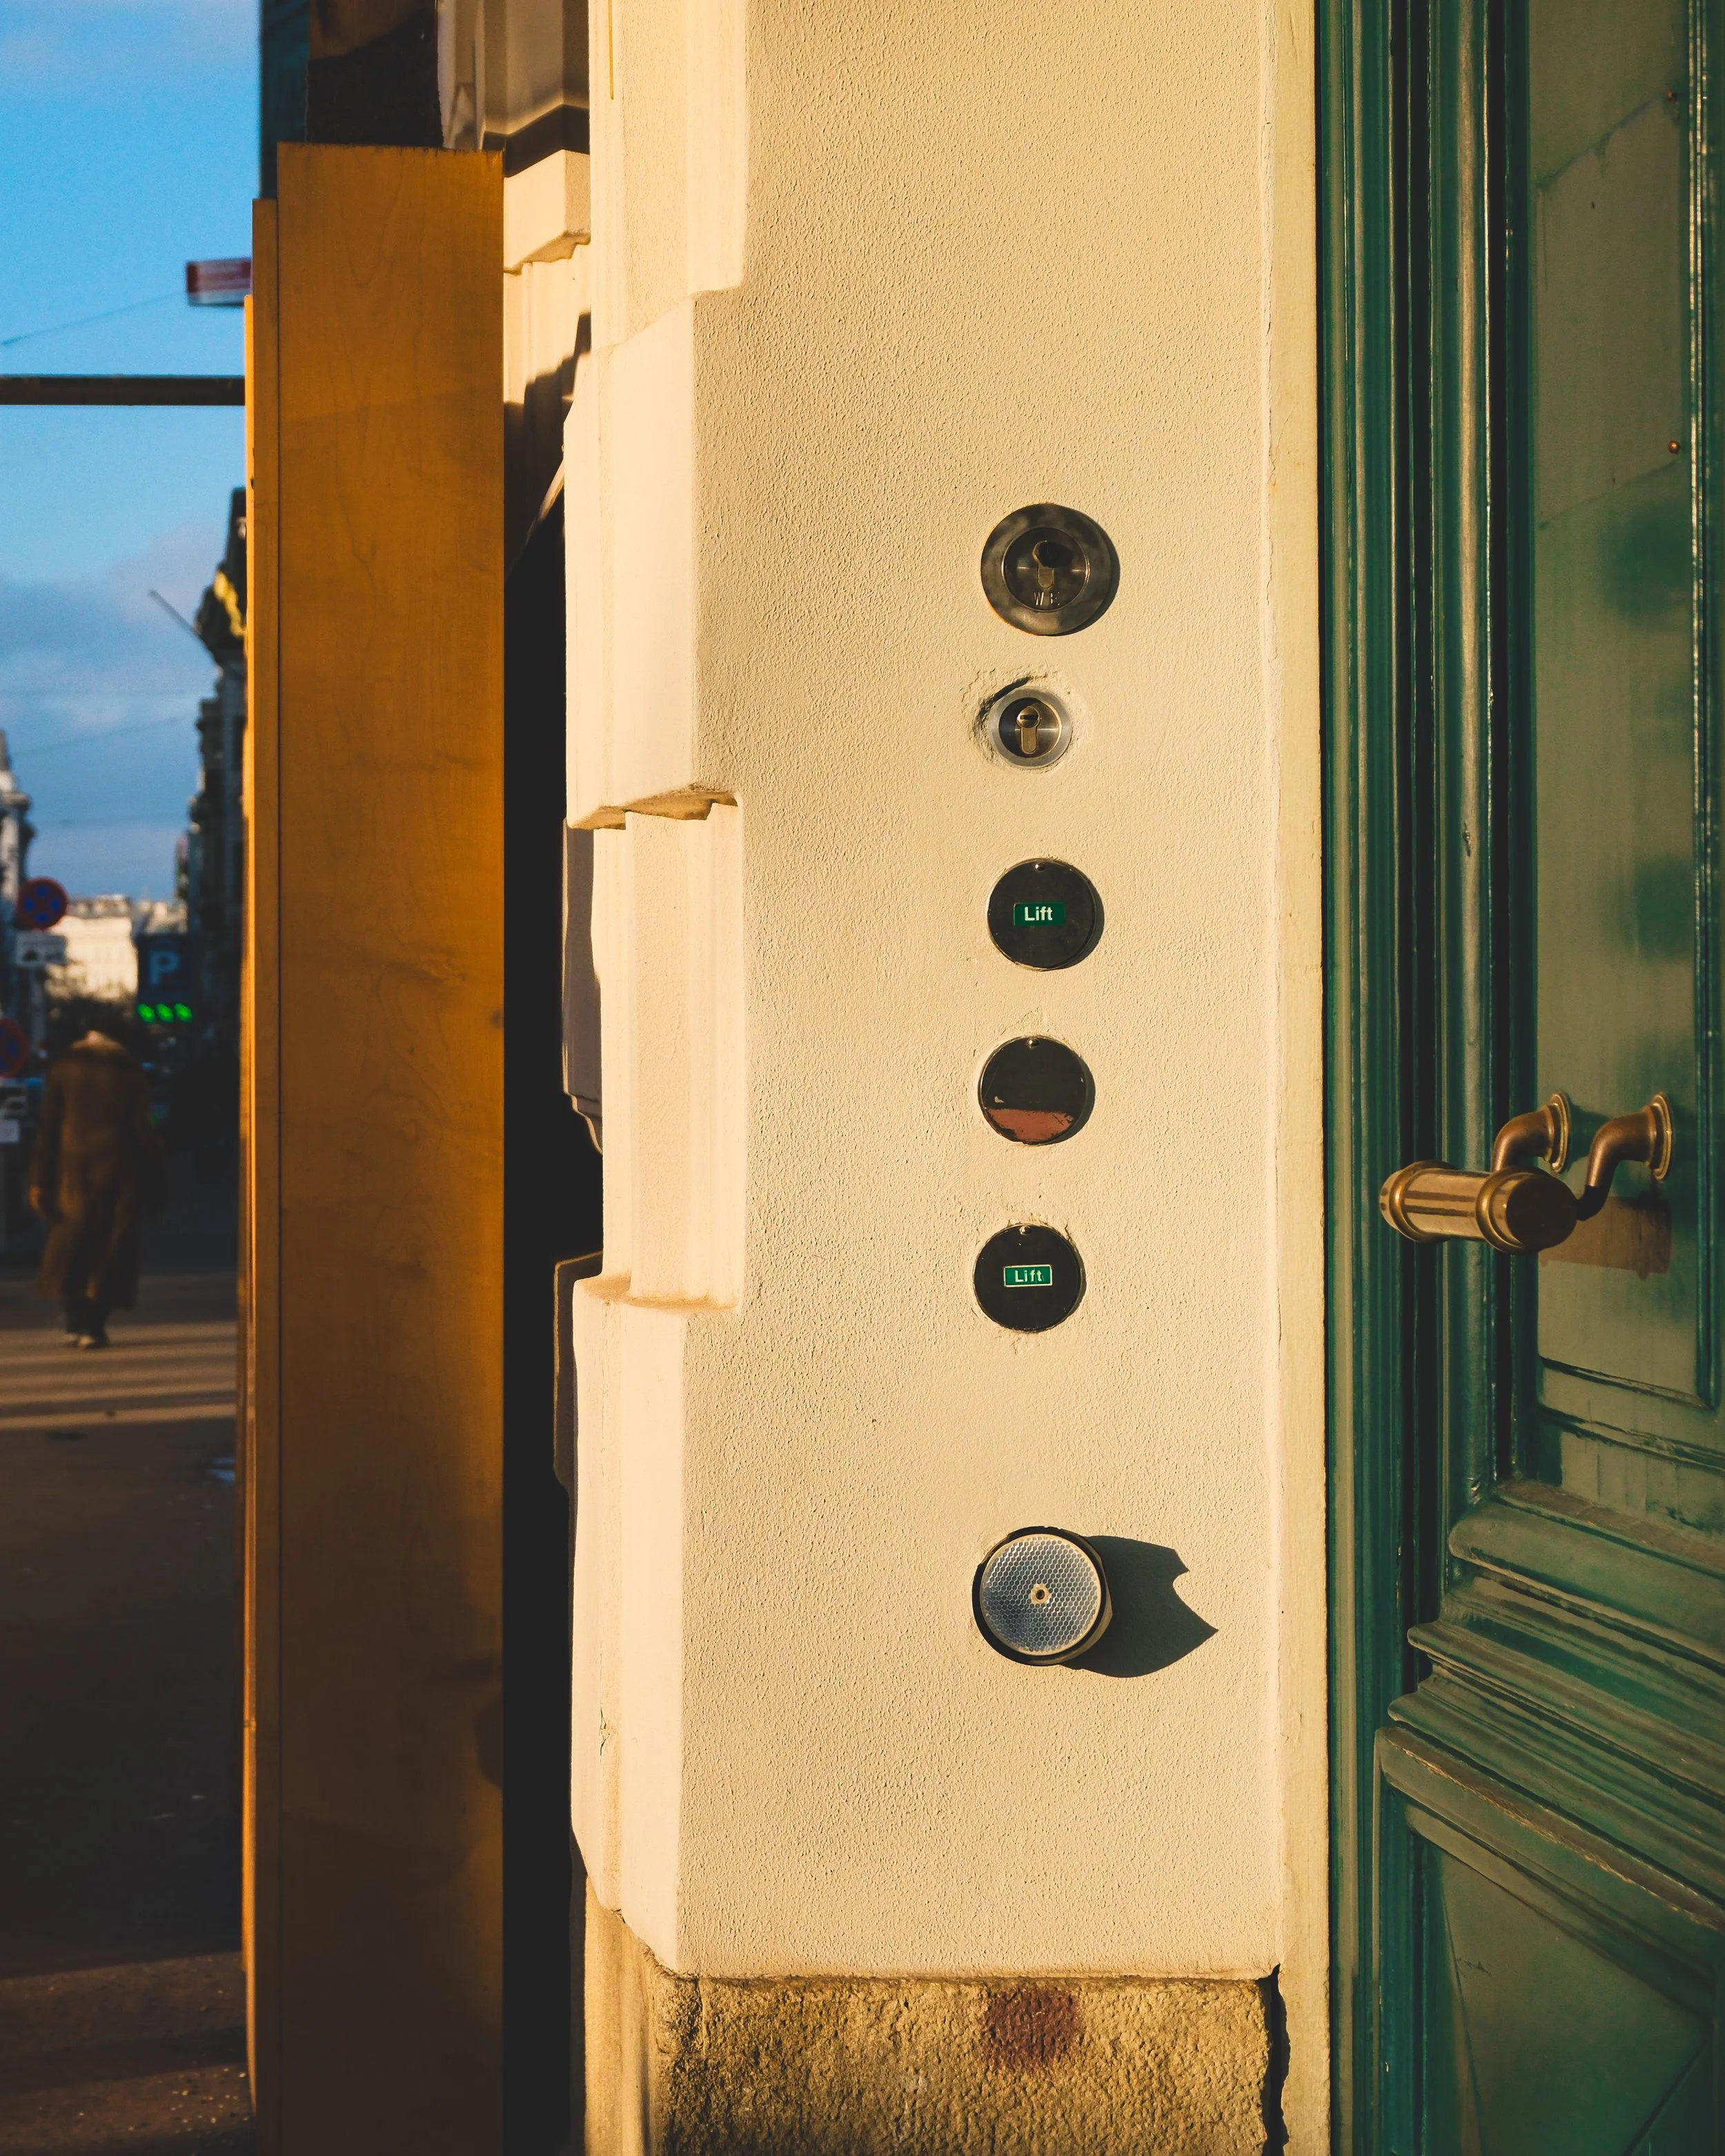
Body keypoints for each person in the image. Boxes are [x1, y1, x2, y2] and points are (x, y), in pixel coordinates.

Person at [28, 1020, 166, 1349]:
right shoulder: (129, 1070)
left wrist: (38, 1180)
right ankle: (95, 1324)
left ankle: (73, 1319)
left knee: (70, 1243)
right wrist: (158, 1174)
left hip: (71, 1172)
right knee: (109, 1247)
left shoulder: (64, 1067)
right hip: (119, 1171)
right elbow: (144, 1125)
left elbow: (48, 1127)